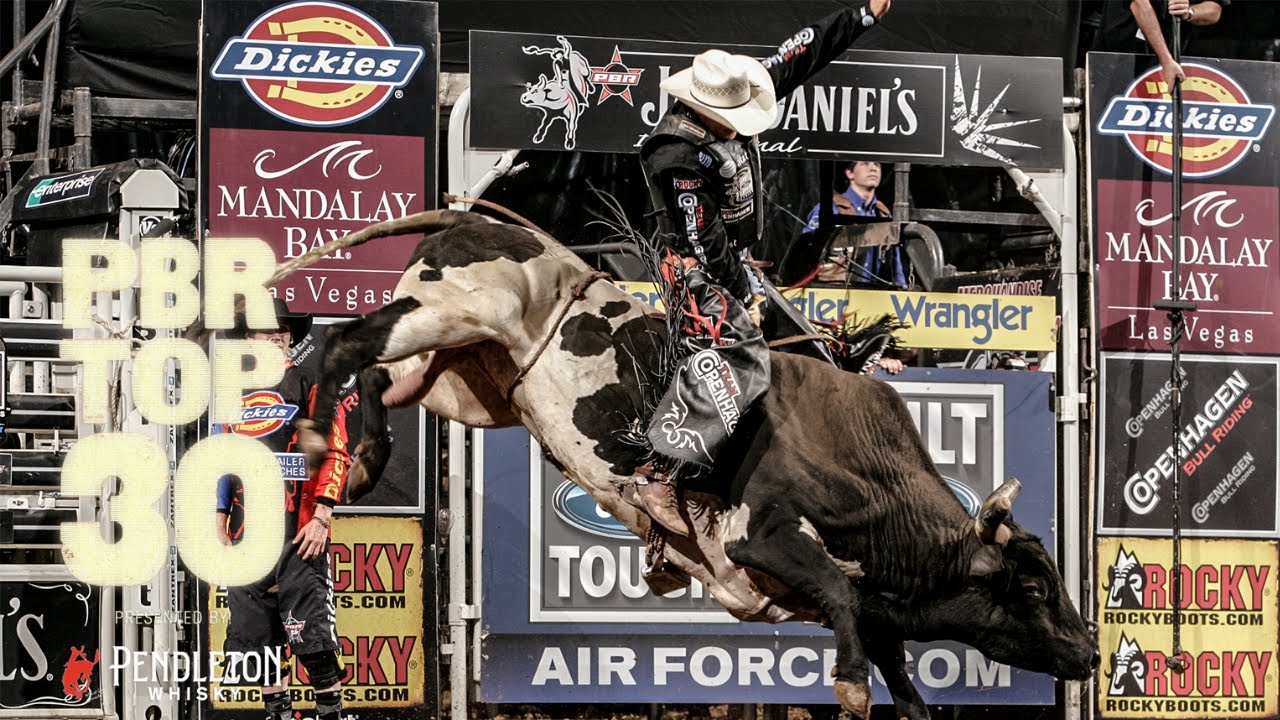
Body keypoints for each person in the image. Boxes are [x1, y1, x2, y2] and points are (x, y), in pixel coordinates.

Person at [636, 0, 891, 537]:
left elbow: (798, 54)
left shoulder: (736, 90)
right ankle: (662, 471)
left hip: (732, 256)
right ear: (705, 111)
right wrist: (740, 293)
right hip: (692, 269)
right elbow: (701, 244)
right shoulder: (675, 156)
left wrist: (861, 15)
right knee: (741, 355)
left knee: (805, 346)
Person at [215, 297, 353, 720]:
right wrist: (219, 518)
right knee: (260, 643)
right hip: (246, 535)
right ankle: (280, 714)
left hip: (299, 529)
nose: (276, 336)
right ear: (249, 338)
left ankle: (331, 713)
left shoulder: (312, 382)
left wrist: (323, 515)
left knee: (311, 639)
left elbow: (337, 451)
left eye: (284, 331)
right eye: (266, 330)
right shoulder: (230, 392)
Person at [800, 160, 905, 287]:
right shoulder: (831, 208)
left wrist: (901, 288)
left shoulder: (883, 213)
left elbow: (895, 263)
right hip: (834, 293)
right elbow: (806, 253)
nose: (873, 169)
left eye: (877, 164)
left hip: (874, 295)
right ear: (850, 173)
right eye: (865, 163)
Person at [1093, 0, 1229, 88]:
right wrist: (1166, 59)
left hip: (1172, 58)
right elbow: (1140, 5)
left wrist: (1189, 12)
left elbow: (1215, 9)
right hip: (1118, 57)